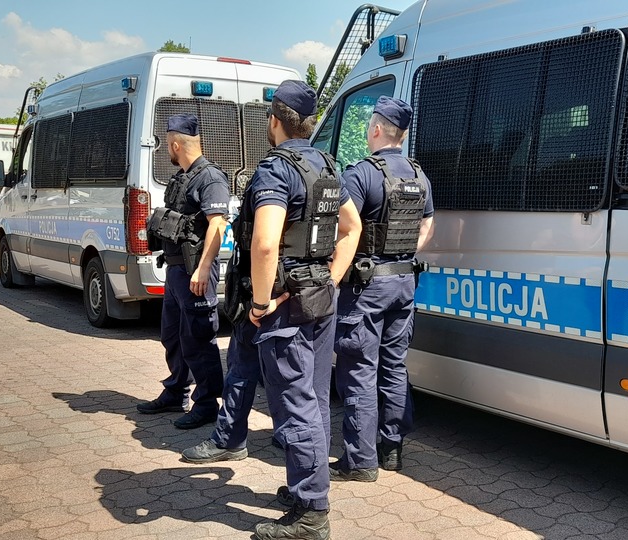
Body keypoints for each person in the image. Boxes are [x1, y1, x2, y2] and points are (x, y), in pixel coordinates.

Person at [184, 80, 360, 540]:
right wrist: (331, 278)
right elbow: (352, 228)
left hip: (284, 305)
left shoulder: (276, 170)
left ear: (276, 120)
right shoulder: (327, 164)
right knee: (314, 400)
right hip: (319, 297)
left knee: (296, 406)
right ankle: (307, 490)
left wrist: (261, 303)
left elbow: (264, 244)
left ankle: (311, 513)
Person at [331, 96, 434, 481]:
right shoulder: (419, 175)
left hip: (366, 286)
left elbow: (344, 229)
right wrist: (401, 254)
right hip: (404, 282)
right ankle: (391, 449)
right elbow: (427, 226)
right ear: (401, 134)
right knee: (394, 365)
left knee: (359, 369)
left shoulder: (360, 175)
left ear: (375, 129)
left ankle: (360, 461)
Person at [135, 113, 229, 430]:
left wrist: (203, 269)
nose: (167, 151)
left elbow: (218, 225)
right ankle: (176, 392)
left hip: (195, 271)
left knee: (198, 339)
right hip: (176, 270)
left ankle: (207, 404)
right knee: (173, 336)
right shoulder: (182, 177)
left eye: (167, 146)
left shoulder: (210, 178)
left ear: (176, 144)